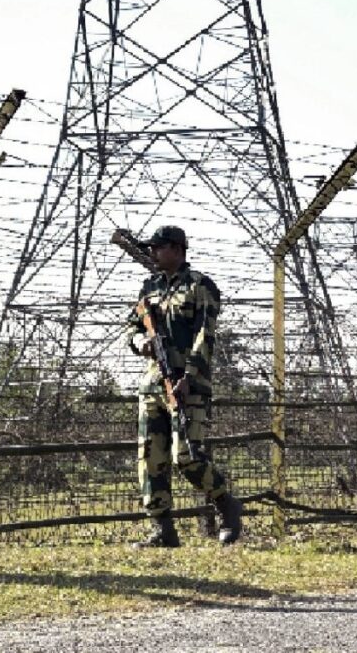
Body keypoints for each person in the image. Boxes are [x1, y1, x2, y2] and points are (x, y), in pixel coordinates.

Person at [125, 225, 242, 547]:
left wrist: (189, 376)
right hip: (152, 385)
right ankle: (163, 530)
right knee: (150, 459)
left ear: (177, 249)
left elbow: (206, 336)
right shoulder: (149, 287)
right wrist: (140, 342)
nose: (152, 253)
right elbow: (131, 327)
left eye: (158, 247)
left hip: (188, 384)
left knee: (186, 456)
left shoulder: (200, 286)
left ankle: (226, 504)